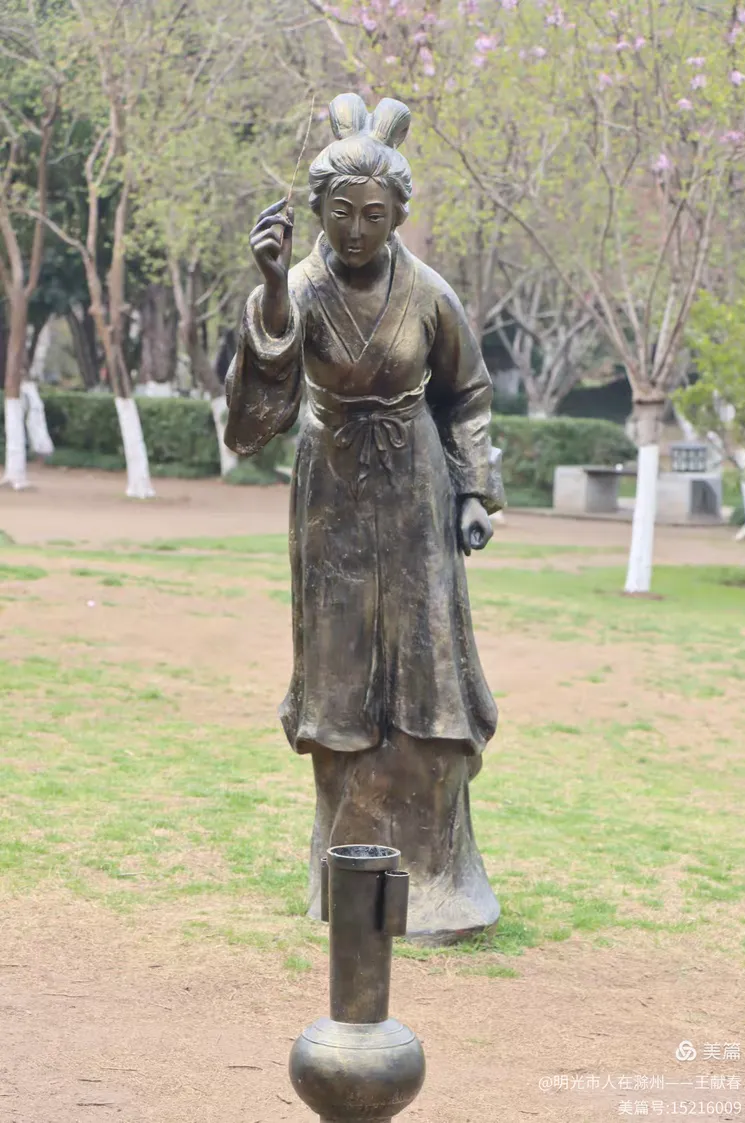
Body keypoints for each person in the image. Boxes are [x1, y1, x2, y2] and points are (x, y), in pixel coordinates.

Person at [225, 93, 505, 942]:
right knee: (341, 674)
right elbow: (260, 411)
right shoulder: (302, 287)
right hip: (333, 493)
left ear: (397, 216)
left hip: (416, 488)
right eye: (340, 213)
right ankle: (344, 872)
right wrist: (272, 291)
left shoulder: (427, 293)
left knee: (427, 669)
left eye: (374, 215)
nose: (355, 231)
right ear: (317, 210)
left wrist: (473, 491)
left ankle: (436, 878)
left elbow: (468, 394)